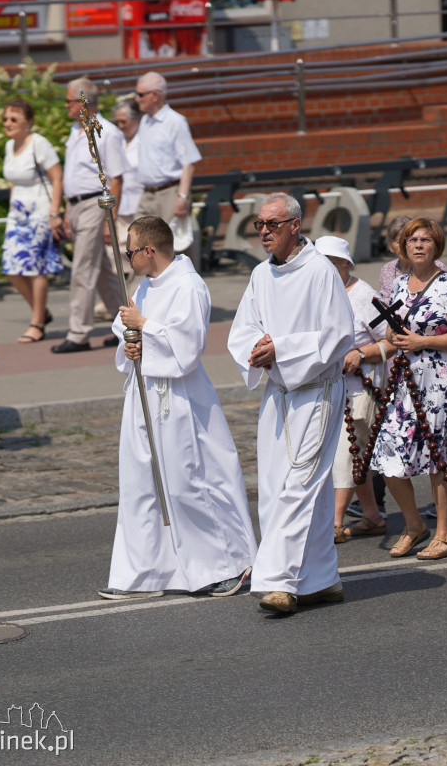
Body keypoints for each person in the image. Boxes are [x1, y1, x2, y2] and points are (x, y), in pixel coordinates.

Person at [99, 216, 257, 600]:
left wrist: (144, 327)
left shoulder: (188, 285)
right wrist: (132, 343)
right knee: (141, 484)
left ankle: (229, 564)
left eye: (130, 251)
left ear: (148, 251)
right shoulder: (147, 285)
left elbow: (188, 347)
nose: (127, 259)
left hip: (179, 399)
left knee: (189, 483)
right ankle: (143, 571)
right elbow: (133, 334)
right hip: (144, 392)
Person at [227, 193, 355, 614]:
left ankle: (279, 581)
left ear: (295, 225)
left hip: (315, 392)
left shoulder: (320, 271)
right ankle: (321, 578)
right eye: (259, 225)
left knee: (299, 486)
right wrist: (257, 348)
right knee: (279, 488)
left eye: (273, 224)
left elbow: (338, 335)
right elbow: (243, 327)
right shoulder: (262, 275)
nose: (264, 232)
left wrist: (280, 347)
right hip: (278, 394)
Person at [371, 217, 447, 560]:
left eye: (424, 240)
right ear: (402, 246)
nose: (417, 245)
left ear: (435, 246)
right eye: (411, 239)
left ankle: (444, 536)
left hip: (439, 380)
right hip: (404, 380)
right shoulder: (399, 284)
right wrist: (394, 336)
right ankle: (415, 526)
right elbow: (389, 331)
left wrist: (423, 341)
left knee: (437, 457)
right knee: (387, 453)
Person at [314, 235, 392, 544]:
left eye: (332, 264)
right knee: (355, 454)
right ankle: (372, 516)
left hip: (363, 388)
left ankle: (334, 522)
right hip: (331, 387)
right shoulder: (316, 294)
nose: (326, 271)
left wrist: (360, 354)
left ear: (346, 264)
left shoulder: (365, 297)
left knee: (347, 453)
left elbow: (392, 340)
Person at [51, 78, 126, 353]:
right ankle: (126, 324)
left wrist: (111, 218)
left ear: (85, 102)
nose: (66, 106)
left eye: (70, 101)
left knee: (83, 270)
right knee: (104, 272)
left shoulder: (107, 132)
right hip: (77, 205)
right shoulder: (75, 130)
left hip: (96, 205)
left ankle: (78, 333)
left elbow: (116, 178)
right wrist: (68, 212)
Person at [1, 98, 64, 343]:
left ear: (28, 123)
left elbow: (57, 177)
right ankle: (42, 312)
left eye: (13, 119)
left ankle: (37, 322)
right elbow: (13, 180)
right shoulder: (9, 146)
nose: (8, 123)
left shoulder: (39, 144)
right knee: (11, 267)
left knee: (37, 268)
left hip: (40, 213)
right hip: (17, 216)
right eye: (5, 119)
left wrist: (54, 212)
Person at [94, 97, 142, 321]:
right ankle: (120, 302)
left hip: (140, 204)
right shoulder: (117, 140)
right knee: (118, 257)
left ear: (136, 119)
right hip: (121, 206)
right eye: (118, 122)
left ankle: (133, 303)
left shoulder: (144, 140)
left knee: (137, 256)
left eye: (125, 122)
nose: (121, 126)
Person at [134, 71, 202, 225]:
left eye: (140, 94)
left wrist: (182, 197)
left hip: (169, 194)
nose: (136, 99)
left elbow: (188, 163)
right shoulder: (145, 121)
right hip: (147, 194)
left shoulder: (175, 122)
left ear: (155, 96)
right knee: (140, 241)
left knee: (169, 244)